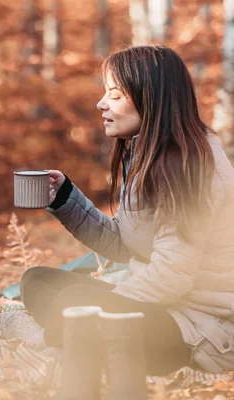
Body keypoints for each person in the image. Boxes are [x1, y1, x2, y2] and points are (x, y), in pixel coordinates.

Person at [20, 45, 234, 375]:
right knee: (38, 281)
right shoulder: (150, 155)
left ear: (150, 97)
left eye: (115, 95)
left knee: (74, 302)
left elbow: (170, 277)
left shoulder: (191, 165)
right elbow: (123, 245)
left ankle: (57, 338)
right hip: (166, 308)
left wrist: (103, 304)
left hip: (201, 329)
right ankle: (66, 334)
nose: (101, 103)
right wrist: (64, 198)